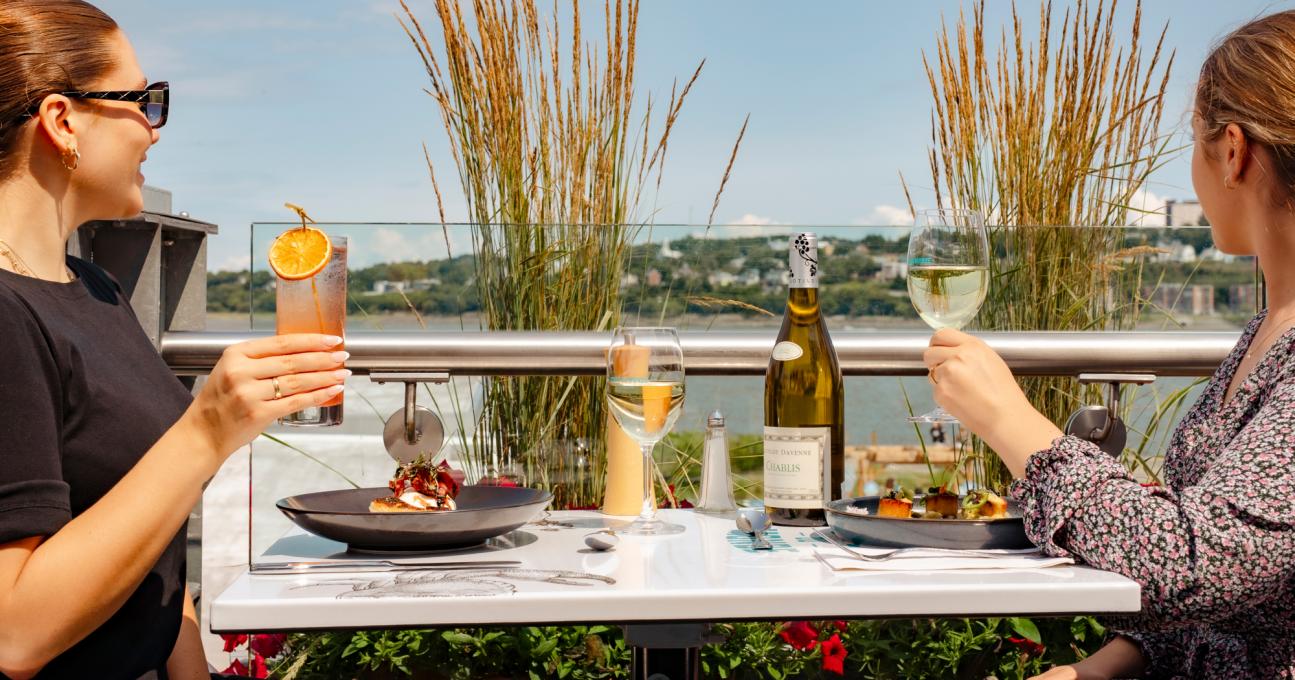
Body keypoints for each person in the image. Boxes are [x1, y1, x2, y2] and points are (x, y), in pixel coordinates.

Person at [924, 10, 1295, 680]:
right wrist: (1098, 669)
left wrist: (1010, 421)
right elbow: (1239, 594)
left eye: (1194, 142)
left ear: (1232, 150)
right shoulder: (1265, 333)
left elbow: (1191, 562)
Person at [0, 2, 349, 678]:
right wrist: (206, 430)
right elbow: (15, 634)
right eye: (143, 101)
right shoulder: (8, 317)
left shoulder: (95, 289)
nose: (154, 133)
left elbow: (149, 550)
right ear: (61, 120)